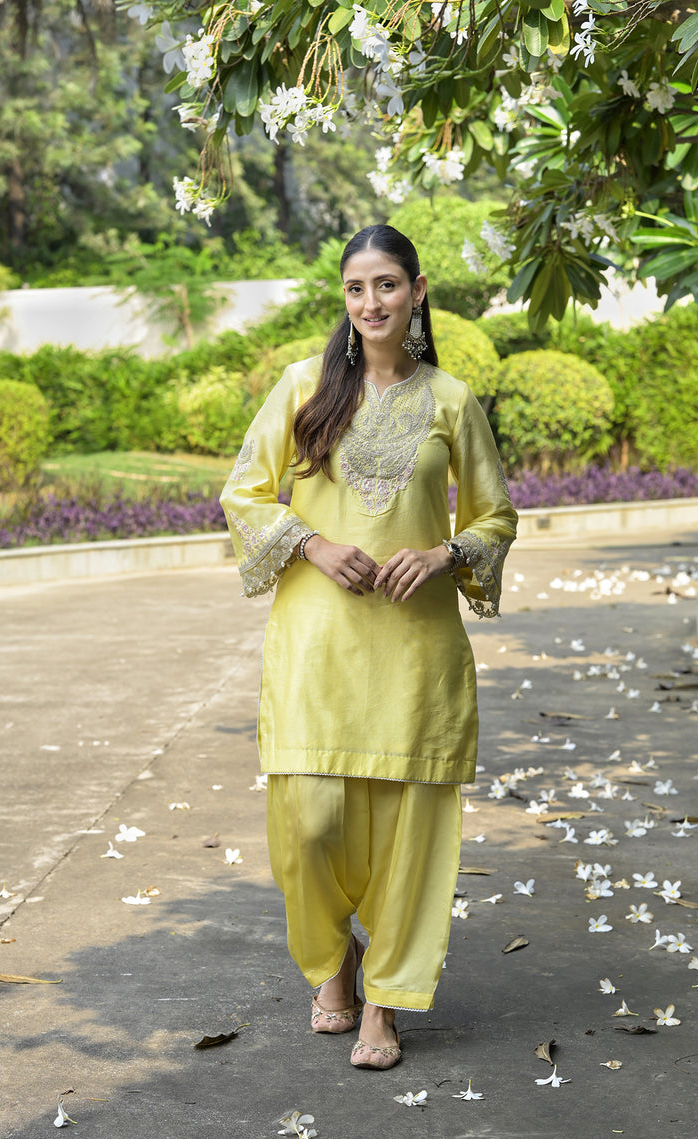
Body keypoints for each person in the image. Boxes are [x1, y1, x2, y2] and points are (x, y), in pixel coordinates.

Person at [221, 224, 517, 1070]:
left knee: (411, 837)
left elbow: (495, 516)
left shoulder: (452, 400)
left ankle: (384, 1002)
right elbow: (244, 494)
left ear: (417, 292)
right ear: (344, 300)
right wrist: (313, 545)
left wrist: (443, 554)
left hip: (416, 653)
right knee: (309, 822)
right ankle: (333, 960)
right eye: (357, 289)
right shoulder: (301, 387)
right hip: (317, 645)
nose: (372, 303)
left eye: (387, 285)